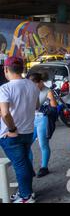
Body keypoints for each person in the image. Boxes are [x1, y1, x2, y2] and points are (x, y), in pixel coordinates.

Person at [0, 57, 40, 203]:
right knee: (24, 162)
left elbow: (5, 113)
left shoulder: (5, 88)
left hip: (11, 134)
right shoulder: (32, 86)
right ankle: (26, 191)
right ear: (22, 69)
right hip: (28, 132)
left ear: (6, 69)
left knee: (20, 164)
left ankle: (26, 196)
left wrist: (11, 128)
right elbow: (36, 106)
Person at [28, 73, 58, 178]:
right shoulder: (31, 90)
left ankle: (44, 167)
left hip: (42, 119)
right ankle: (29, 168)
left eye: (35, 84)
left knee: (43, 144)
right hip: (31, 120)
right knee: (26, 145)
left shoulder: (47, 91)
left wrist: (43, 108)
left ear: (41, 82)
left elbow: (54, 107)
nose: (34, 87)